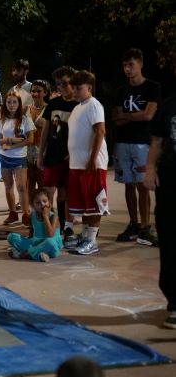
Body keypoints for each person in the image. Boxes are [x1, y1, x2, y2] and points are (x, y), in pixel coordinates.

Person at [112, 48, 161, 247]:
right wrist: (136, 116)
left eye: (131, 64)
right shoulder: (121, 91)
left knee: (142, 186)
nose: (127, 69)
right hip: (123, 142)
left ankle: (146, 227)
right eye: (124, 65)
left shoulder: (152, 87)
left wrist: (128, 116)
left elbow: (149, 115)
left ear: (140, 64)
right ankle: (133, 223)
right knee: (128, 185)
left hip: (143, 142)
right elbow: (116, 119)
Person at [65, 70, 108, 255]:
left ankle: (92, 240)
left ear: (89, 88)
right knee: (83, 204)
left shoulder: (94, 105)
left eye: (78, 88)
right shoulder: (77, 107)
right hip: (77, 164)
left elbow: (100, 131)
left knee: (94, 203)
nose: (74, 91)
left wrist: (92, 159)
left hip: (93, 165)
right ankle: (84, 235)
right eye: (73, 87)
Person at [144, 82, 176, 329]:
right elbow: (157, 138)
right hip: (170, 181)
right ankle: (174, 304)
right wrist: (151, 167)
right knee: (169, 240)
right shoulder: (169, 105)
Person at [37, 66, 78, 244]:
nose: (61, 87)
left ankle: (67, 227)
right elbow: (46, 129)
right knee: (48, 192)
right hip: (52, 155)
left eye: (65, 83)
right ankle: (48, 227)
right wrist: (40, 153)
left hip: (71, 157)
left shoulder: (79, 105)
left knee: (67, 194)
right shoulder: (53, 104)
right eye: (58, 84)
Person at [0, 90, 36, 227]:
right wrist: (9, 140)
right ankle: (12, 213)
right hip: (4, 157)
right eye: (9, 102)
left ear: (19, 104)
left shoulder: (25, 119)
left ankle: (26, 214)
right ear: (5, 104)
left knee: (21, 187)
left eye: (14, 102)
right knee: (8, 187)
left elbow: (30, 139)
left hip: (19, 158)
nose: (12, 105)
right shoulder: (2, 120)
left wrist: (12, 146)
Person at [7, 189, 63, 262]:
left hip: (51, 246)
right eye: (38, 203)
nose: (42, 204)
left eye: (45, 201)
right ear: (33, 205)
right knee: (12, 237)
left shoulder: (53, 217)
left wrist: (45, 216)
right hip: (36, 243)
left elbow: (50, 235)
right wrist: (26, 241)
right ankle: (39, 254)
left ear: (49, 202)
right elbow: (32, 233)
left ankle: (23, 255)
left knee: (50, 242)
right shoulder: (32, 216)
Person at [26, 80, 49, 201]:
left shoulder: (49, 109)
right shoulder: (26, 109)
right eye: (33, 91)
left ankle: (43, 214)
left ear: (45, 92)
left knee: (42, 184)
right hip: (28, 151)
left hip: (43, 151)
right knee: (28, 184)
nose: (35, 94)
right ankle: (31, 214)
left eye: (39, 91)